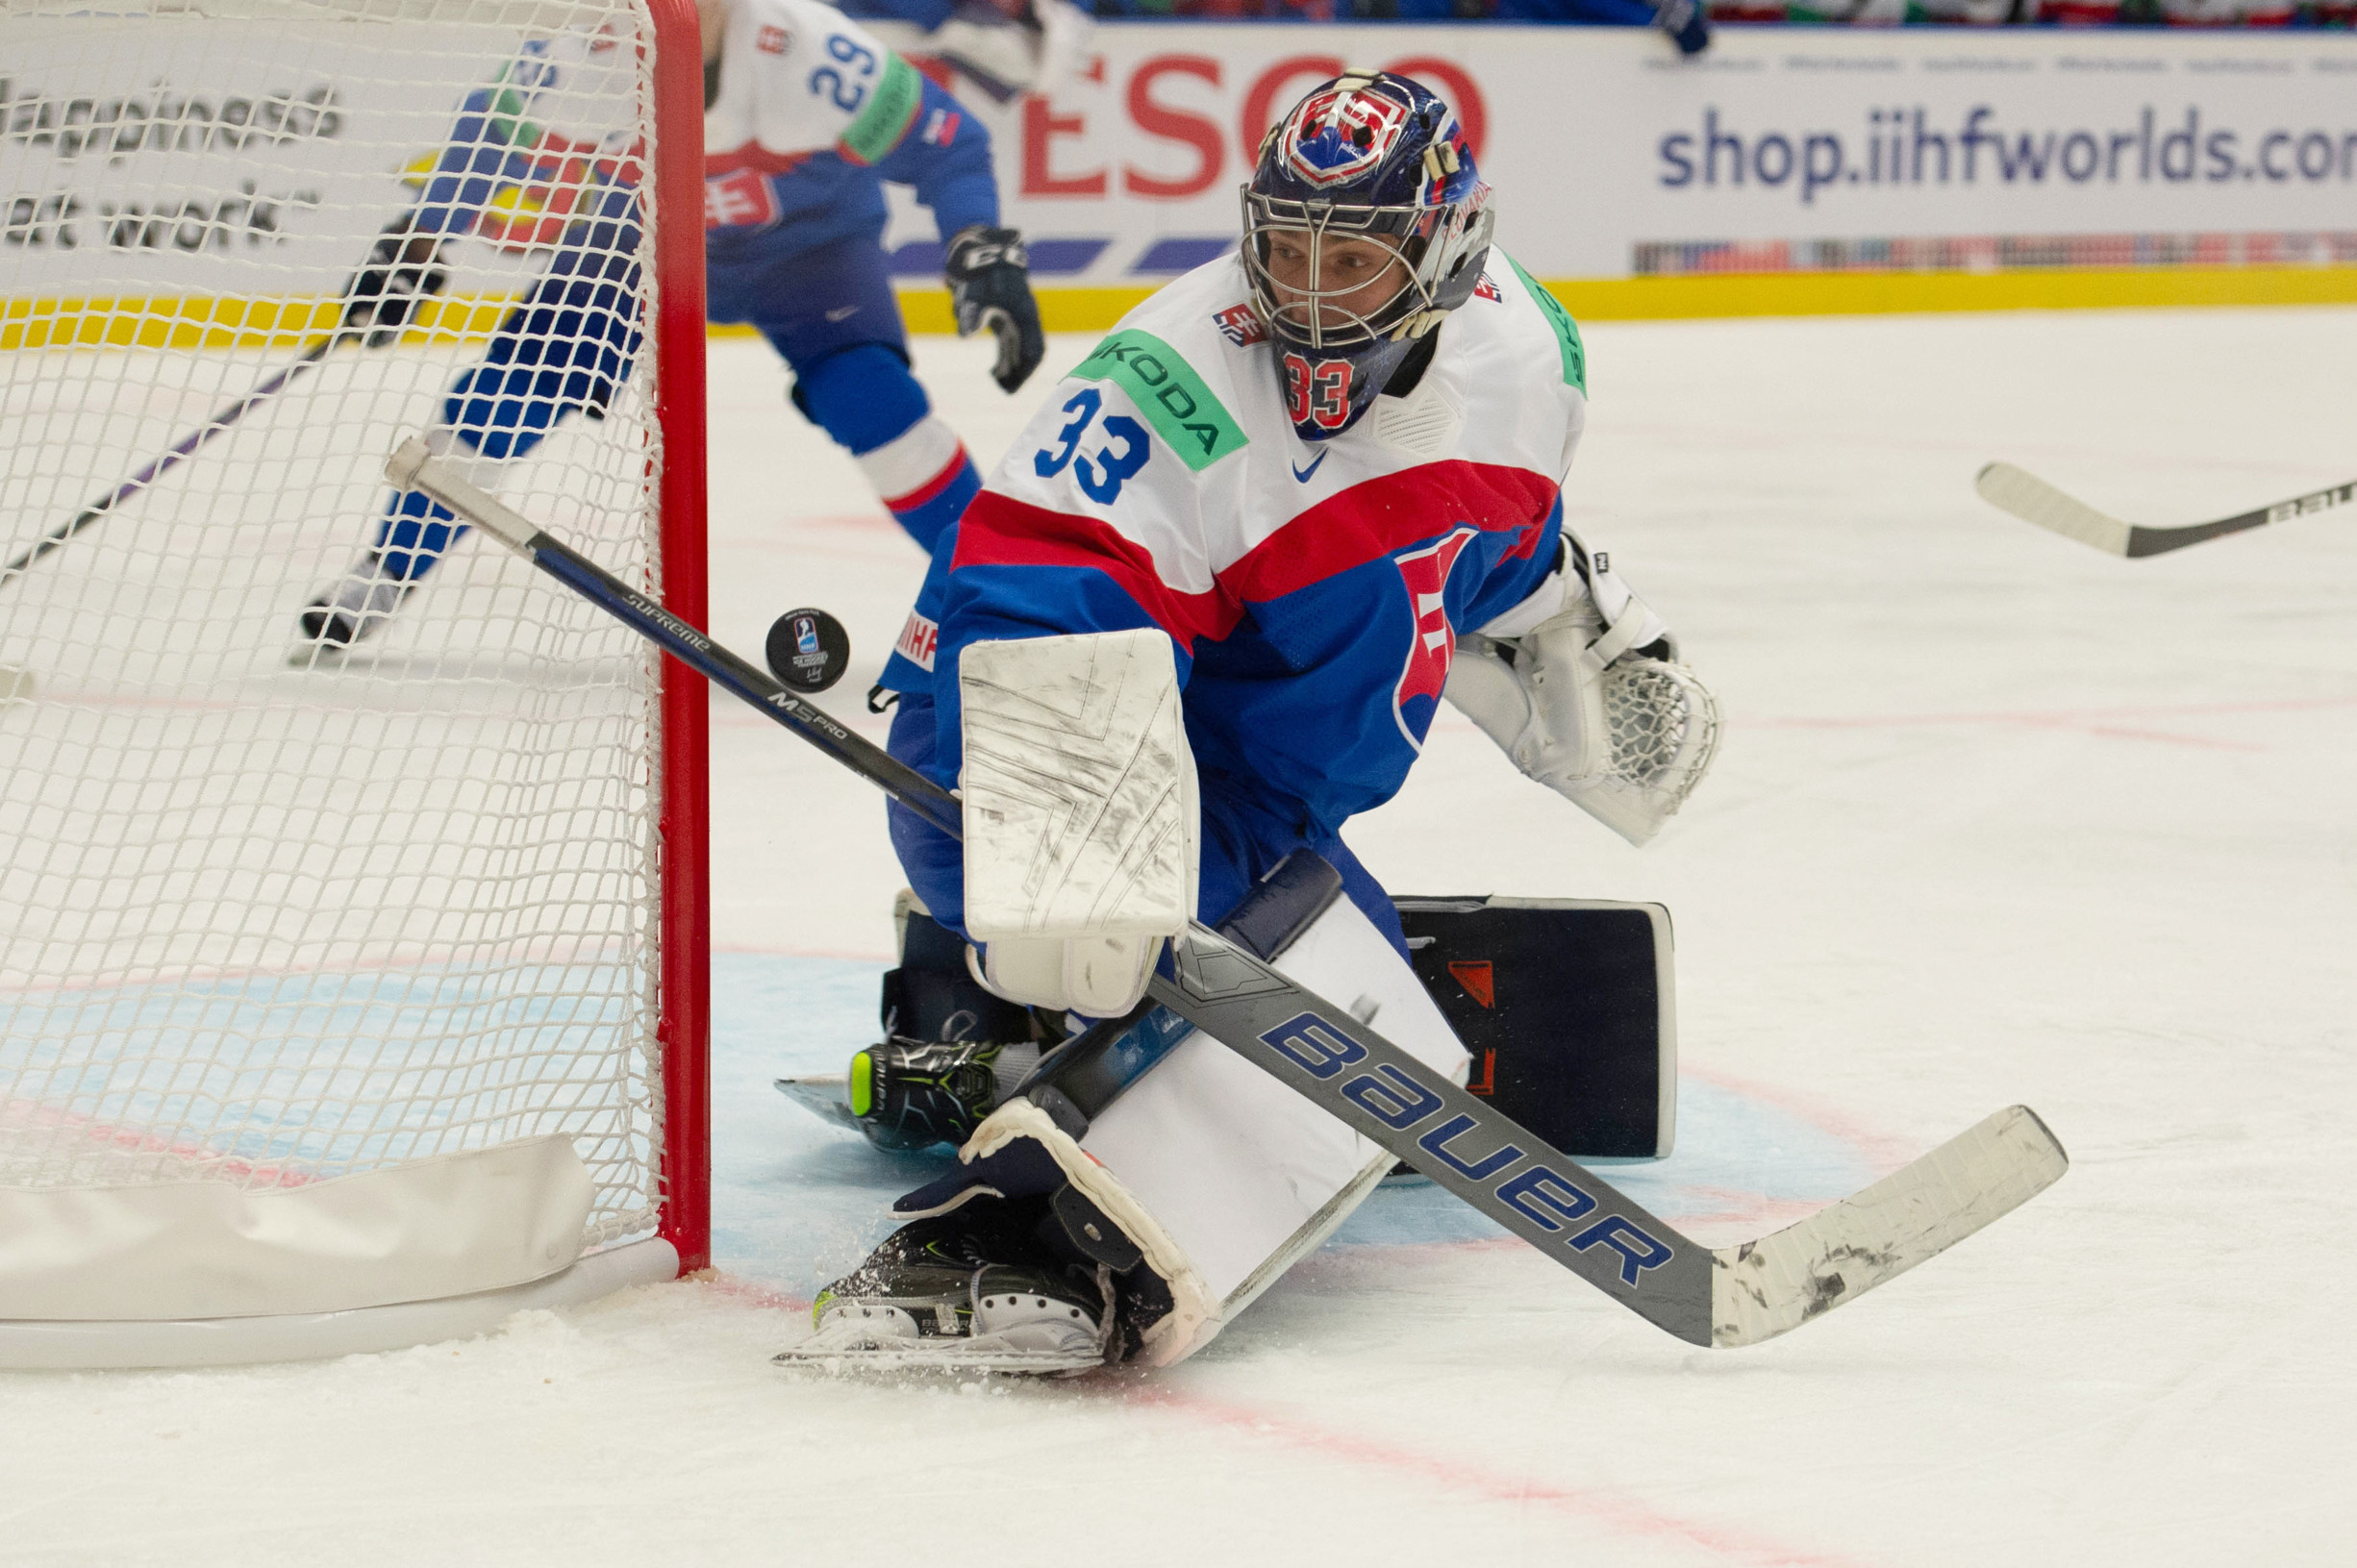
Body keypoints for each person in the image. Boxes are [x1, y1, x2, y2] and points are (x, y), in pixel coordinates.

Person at [790, 71, 1721, 1372]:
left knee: (1373, 1021)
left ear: (1444, 251)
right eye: (1283, 247)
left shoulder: (1532, 353)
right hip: (1019, 758)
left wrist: (1580, 632)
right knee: (1315, 1050)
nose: (1303, 292)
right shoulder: (1169, 388)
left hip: (1244, 789)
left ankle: (984, 1027)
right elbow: (1025, 611)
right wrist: (1076, 878)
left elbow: (1491, 550)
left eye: (1350, 260)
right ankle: (997, 1229)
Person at [300, 0, 1047, 648]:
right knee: (505, 395)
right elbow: (488, 139)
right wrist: (418, 242)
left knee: (874, 402)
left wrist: (979, 248)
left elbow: (949, 144)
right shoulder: (583, 57)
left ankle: (996, 592)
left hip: (808, 250)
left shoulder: (812, 51)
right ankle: (384, 571)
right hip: (638, 245)